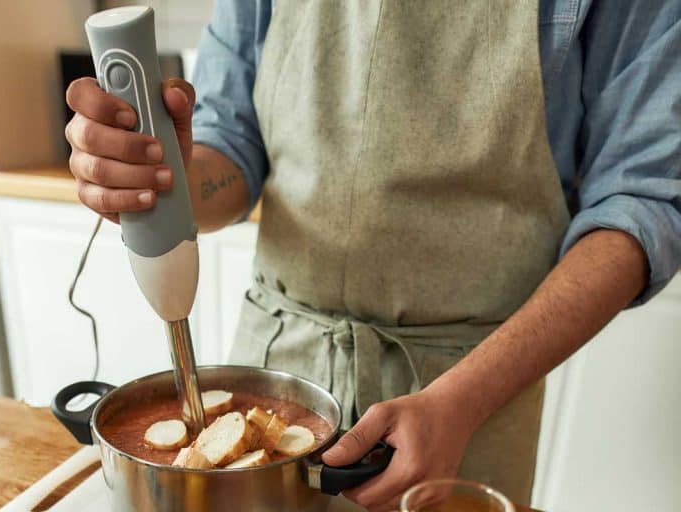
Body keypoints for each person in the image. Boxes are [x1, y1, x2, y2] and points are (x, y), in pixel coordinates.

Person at [64, 1, 681, 509]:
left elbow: (642, 201)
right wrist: (158, 178)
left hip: (470, 397)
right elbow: (233, 145)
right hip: (278, 373)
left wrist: (460, 401)